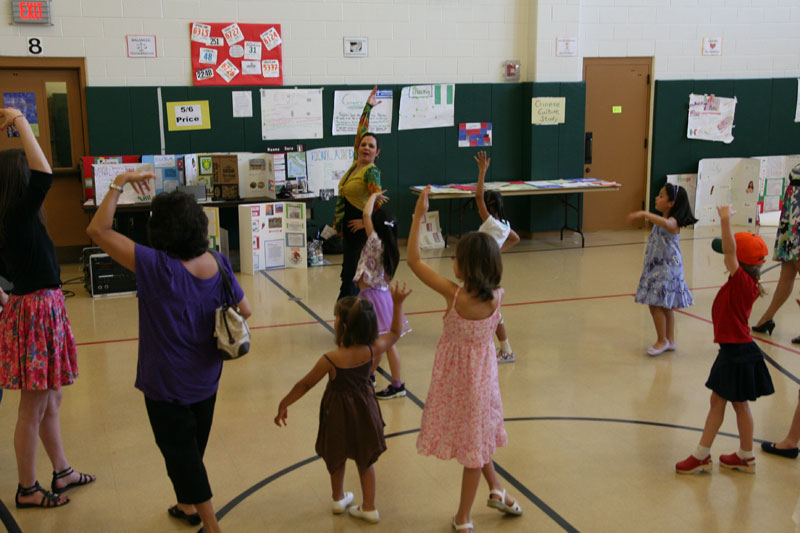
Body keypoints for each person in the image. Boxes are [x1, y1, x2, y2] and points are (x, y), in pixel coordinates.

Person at [87, 175, 251, 533]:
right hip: (207, 379)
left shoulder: (155, 266)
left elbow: (98, 230)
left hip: (166, 384)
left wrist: (119, 183)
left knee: (182, 457)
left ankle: (211, 525)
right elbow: (246, 309)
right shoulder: (219, 262)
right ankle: (186, 504)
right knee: (190, 450)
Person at [408, 186, 522, 532]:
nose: (451, 261)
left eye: (456, 257)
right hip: (482, 383)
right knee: (478, 437)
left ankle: (463, 517)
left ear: (467, 267)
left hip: (457, 384)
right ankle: (497, 489)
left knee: (474, 449)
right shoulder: (497, 296)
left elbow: (413, 261)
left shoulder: (453, 295)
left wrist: (418, 216)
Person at [0, 107, 94, 509]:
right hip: (37, 310)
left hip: (37, 307)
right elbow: (44, 173)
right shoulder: (17, 215)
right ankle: (27, 488)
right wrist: (19, 120)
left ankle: (62, 470)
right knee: (33, 406)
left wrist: (7, 301)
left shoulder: (13, 219)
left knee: (51, 399)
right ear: (19, 182)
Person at [274, 282, 411, 524]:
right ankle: (369, 507)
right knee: (365, 459)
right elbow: (394, 333)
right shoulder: (373, 349)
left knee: (336, 454)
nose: (334, 320)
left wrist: (284, 403)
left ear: (344, 327)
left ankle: (338, 498)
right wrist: (397, 304)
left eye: (336, 318)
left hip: (336, 412)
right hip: (365, 410)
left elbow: (305, 384)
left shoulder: (331, 358)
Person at [675, 205, 774, 474]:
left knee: (720, 403)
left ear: (740, 261)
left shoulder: (742, 282)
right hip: (737, 351)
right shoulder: (743, 283)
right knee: (737, 404)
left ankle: (702, 455)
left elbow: (730, 252)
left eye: (729, 255)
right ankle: (746, 456)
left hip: (735, 353)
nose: (724, 257)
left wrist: (726, 220)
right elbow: (731, 252)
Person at [627, 183, 698, 356]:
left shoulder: (672, 223)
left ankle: (662, 340)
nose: (656, 198)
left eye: (661, 196)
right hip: (659, 268)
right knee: (666, 306)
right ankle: (670, 340)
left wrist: (644, 214)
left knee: (655, 305)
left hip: (667, 270)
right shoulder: (665, 221)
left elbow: (666, 223)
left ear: (671, 203)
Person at [355, 190, 411, 399]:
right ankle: (370, 375)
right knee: (379, 342)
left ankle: (397, 384)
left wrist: (373, 197)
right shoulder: (391, 247)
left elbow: (366, 215)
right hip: (381, 295)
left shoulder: (375, 242)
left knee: (385, 344)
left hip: (374, 297)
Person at [333, 85, 384, 301]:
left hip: (360, 231)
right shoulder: (356, 164)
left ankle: (348, 312)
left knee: (352, 277)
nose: (366, 148)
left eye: (371, 146)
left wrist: (366, 222)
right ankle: (350, 312)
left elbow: (378, 202)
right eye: (363, 145)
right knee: (348, 274)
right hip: (349, 231)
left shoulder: (371, 172)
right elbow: (361, 131)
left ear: (377, 152)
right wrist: (368, 107)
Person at [474, 151, 520, 363]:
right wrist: (497, 252)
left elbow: (478, 197)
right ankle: (493, 345)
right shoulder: (505, 225)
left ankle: (506, 350)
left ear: (490, 206)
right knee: (483, 306)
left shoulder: (490, 222)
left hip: (483, 271)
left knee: (491, 310)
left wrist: (482, 172)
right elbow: (515, 239)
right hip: (490, 268)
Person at [752, 164, 800, 339]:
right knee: (786, 273)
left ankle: (767, 318)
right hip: (791, 218)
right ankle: (767, 317)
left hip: (797, 223)